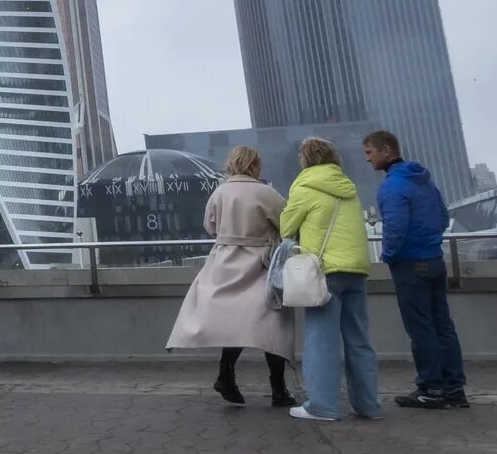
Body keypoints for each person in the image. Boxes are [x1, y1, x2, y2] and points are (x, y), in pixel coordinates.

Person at [166, 146, 297, 406]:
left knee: (234, 322)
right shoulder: (265, 192)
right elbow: (287, 223)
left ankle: (226, 373)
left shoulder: (220, 191)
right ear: (254, 164)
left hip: (225, 261)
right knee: (272, 322)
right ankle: (278, 389)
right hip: (259, 263)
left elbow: (209, 226)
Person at [366, 129, 468, 409]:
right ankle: (454, 390)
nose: (368, 159)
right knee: (443, 326)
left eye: (370, 152)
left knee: (421, 328)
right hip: (435, 260)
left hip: (410, 265)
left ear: (387, 150)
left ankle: (430, 389)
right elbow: (443, 217)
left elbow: (395, 228)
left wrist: (388, 255)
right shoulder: (425, 182)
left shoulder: (392, 187)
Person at [280, 138, 381, 422]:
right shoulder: (348, 187)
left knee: (322, 340)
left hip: (324, 272)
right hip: (356, 270)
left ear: (305, 159)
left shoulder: (304, 186)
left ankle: (322, 406)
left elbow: (286, 228)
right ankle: (368, 405)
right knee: (359, 339)